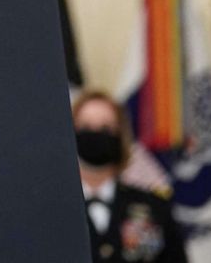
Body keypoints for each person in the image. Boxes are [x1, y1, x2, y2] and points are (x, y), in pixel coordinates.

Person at [73, 90, 188, 262]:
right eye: (86, 127)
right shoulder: (54, 209)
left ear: (121, 135)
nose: (95, 134)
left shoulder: (155, 206)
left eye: (106, 128)